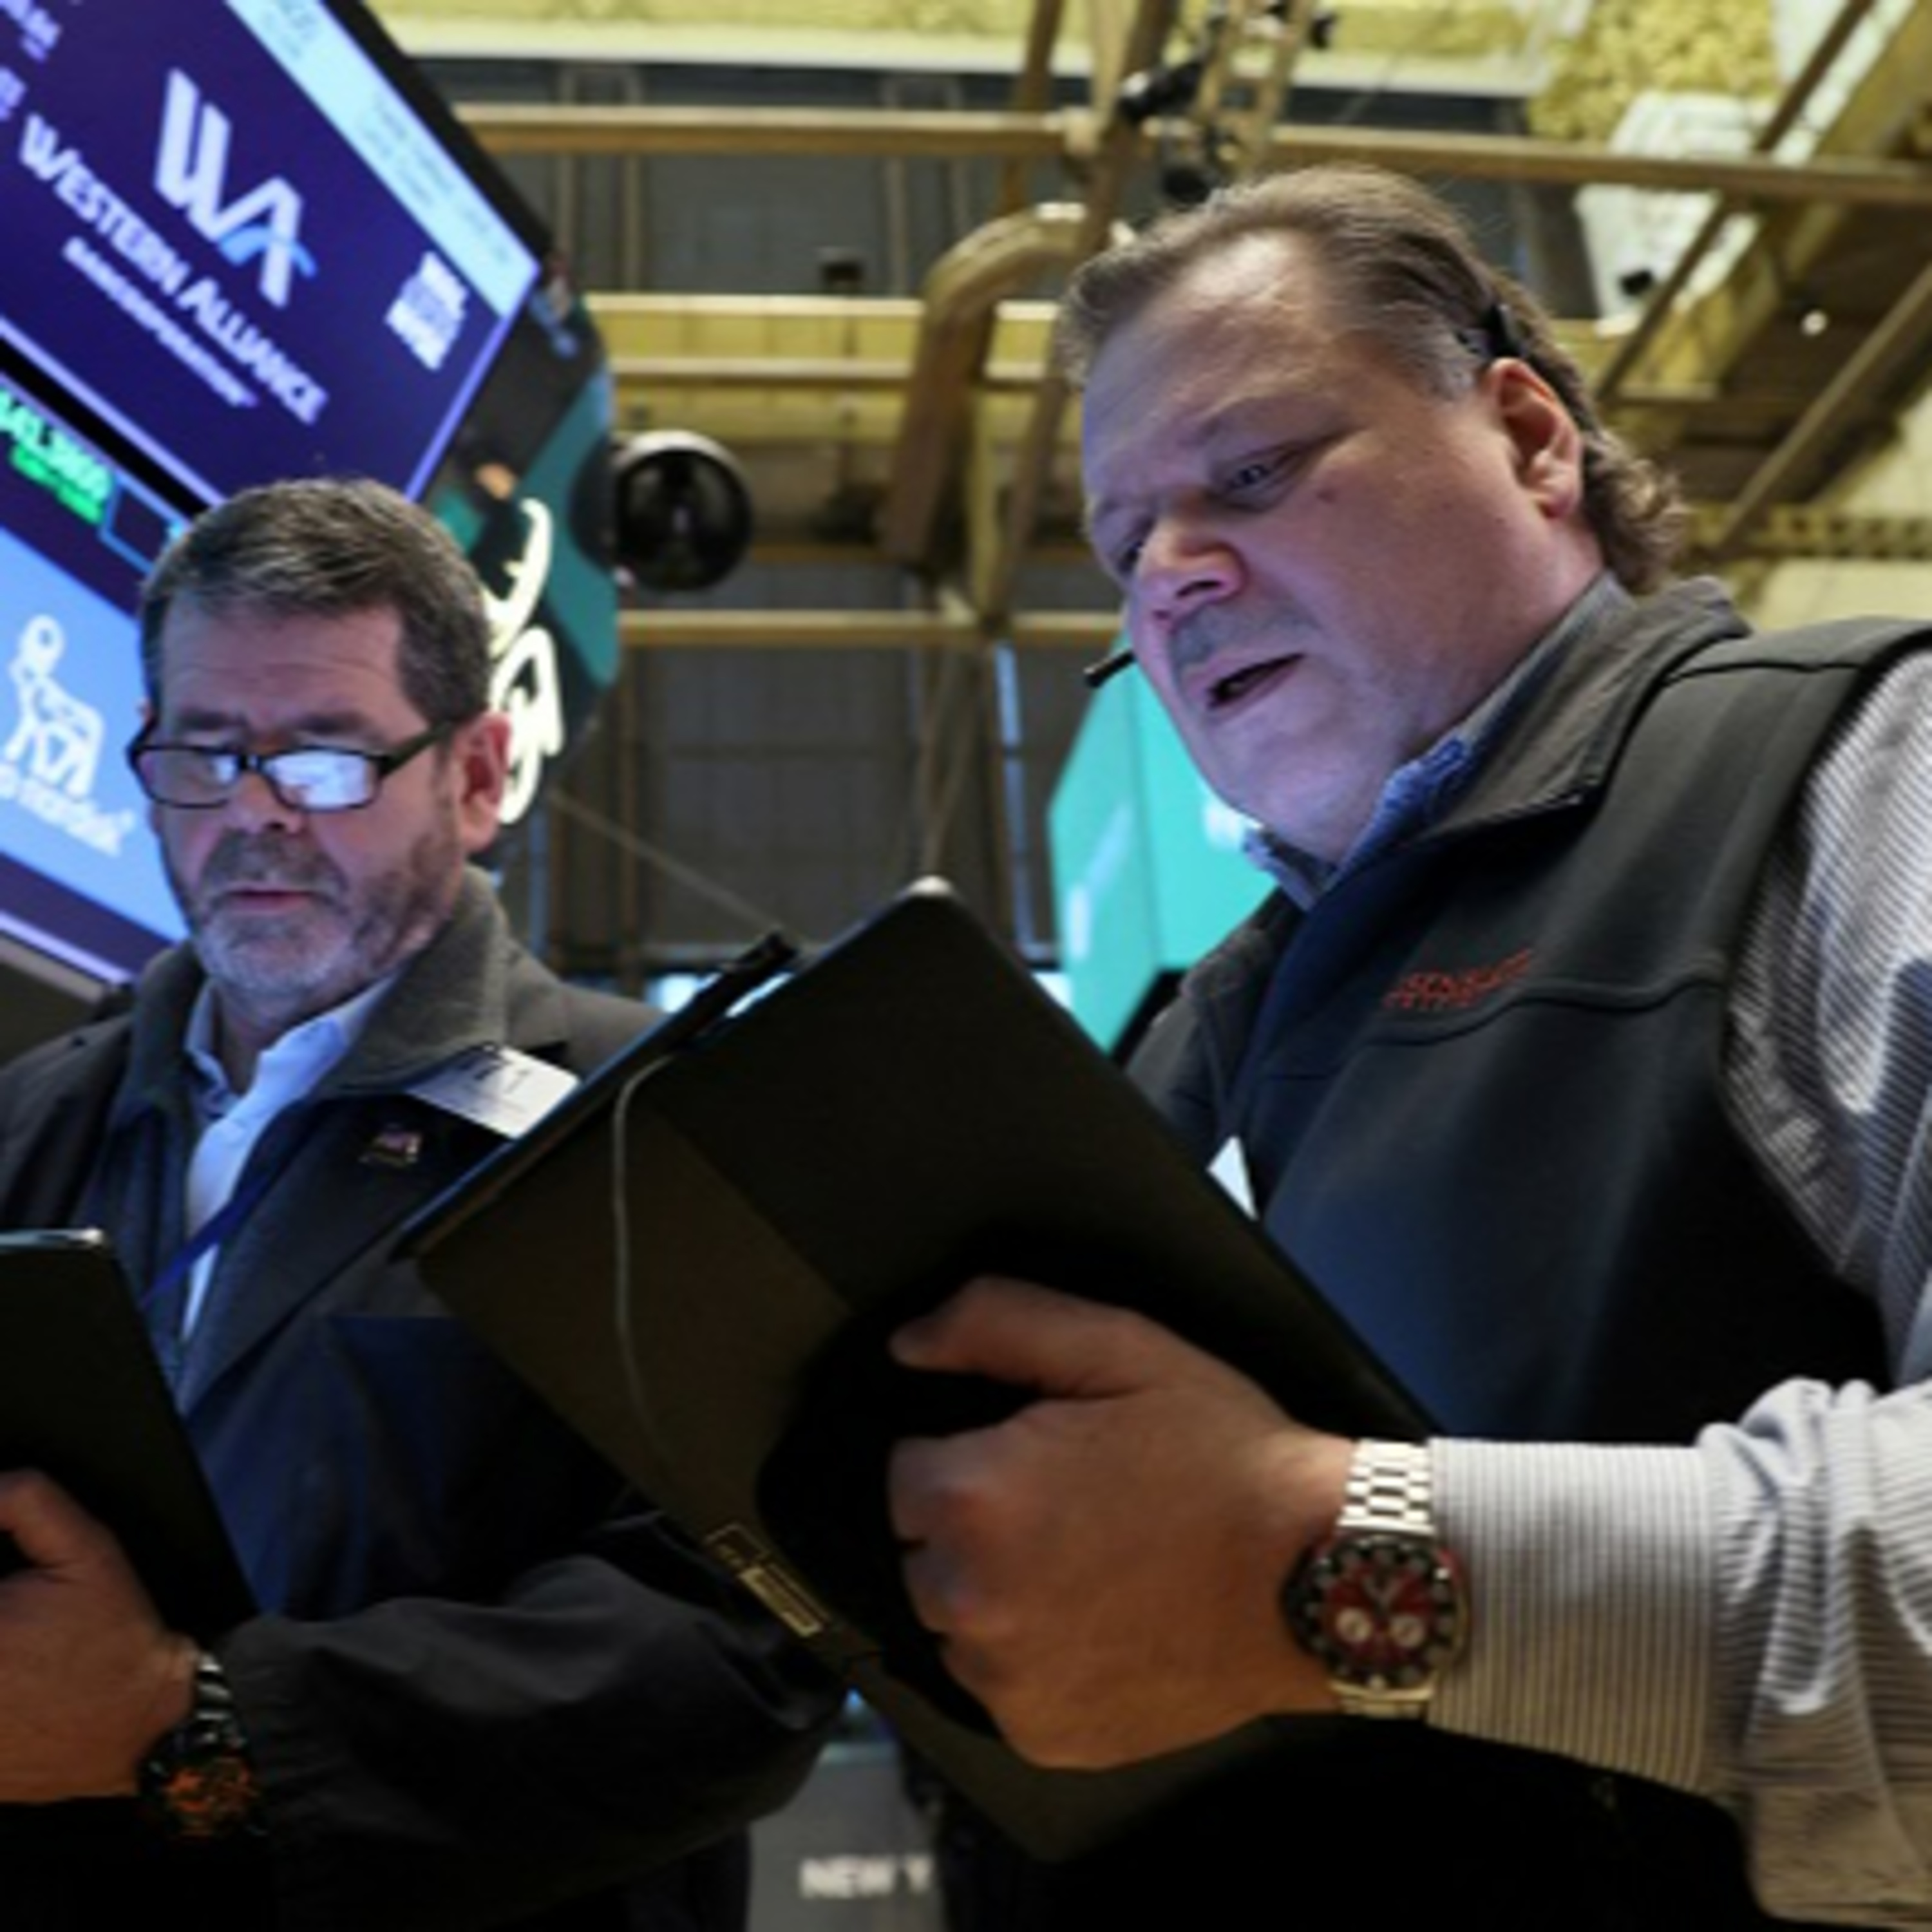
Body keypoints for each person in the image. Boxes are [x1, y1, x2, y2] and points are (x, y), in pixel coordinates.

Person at [887, 165, 1932, 1927]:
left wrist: (1328, 1564)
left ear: (1528, 438)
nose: (1171, 577)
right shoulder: (1204, 1033)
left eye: (1251, 473)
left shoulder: (1864, 776)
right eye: (1124, 545)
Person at [0, 478, 834, 1929]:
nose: (253, 813)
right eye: (203, 752)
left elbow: (743, 1650)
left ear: (477, 773)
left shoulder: (653, 1117)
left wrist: (198, 1722)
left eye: (325, 757)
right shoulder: (32, 1117)